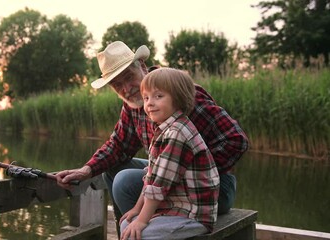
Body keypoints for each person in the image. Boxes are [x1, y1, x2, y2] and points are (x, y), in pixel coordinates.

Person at [56, 41, 248, 236]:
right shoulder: (136, 105)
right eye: (117, 85)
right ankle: (132, 229)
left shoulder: (180, 93)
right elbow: (118, 146)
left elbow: (236, 140)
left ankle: (142, 227)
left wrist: (186, 171)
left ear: (142, 66)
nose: (126, 89)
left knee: (124, 180)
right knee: (112, 169)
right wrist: (85, 171)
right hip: (168, 179)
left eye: (129, 77)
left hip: (210, 190)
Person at [119, 67, 220, 240]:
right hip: (174, 208)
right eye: (146, 98)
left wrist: (142, 220)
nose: (149, 103)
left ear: (178, 99)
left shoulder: (178, 133)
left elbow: (159, 184)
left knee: (136, 233)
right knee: (126, 224)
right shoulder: (164, 130)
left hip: (193, 215)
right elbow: (151, 176)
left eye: (158, 96)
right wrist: (137, 210)